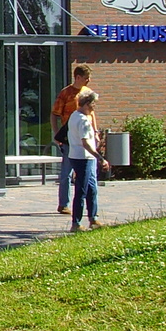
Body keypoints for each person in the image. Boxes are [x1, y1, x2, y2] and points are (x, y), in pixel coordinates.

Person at [51, 65, 94, 215]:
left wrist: (95, 132)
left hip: (86, 136)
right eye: (86, 77)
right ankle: (64, 203)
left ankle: (91, 208)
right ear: (77, 77)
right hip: (70, 137)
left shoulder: (88, 93)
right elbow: (54, 114)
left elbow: (92, 114)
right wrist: (57, 134)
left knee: (89, 173)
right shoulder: (66, 93)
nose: (89, 80)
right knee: (67, 172)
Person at [67, 89, 102, 232]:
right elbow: (85, 143)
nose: (95, 106)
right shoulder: (83, 121)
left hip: (76, 156)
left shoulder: (74, 116)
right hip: (84, 158)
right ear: (87, 104)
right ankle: (76, 223)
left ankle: (93, 218)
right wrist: (100, 157)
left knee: (91, 188)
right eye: (93, 103)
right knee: (82, 189)